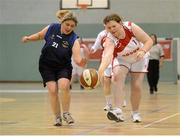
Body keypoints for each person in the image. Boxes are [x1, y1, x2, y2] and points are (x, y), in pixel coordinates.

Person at [21, 11, 89, 126]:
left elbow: (78, 60)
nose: (69, 27)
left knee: (64, 85)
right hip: (46, 65)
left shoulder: (74, 39)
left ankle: (66, 113)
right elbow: (39, 35)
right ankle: (57, 117)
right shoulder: (52, 27)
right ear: (62, 22)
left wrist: (85, 59)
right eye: (67, 24)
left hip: (63, 66)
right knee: (52, 91)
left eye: (72, 26)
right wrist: (28, 38)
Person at [98, 13, 153, 123]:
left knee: (136, 86)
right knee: (117, 76)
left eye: (114, 26)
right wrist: (101, 70)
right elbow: (108, 55)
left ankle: (135, 113)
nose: (112, 29)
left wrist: (143, 51)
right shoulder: (109, 39)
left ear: (120, 24)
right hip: (123, 59)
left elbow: (149, 41)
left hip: (139, 57)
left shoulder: (130, 27)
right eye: (109, 27)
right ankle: (118, 111)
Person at [91, 29, 127, 111]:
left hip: (117, 58)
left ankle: (122, 99)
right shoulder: (101, 34)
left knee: (116, 80)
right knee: (106, 81)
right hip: (106, 59)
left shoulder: (118, 32)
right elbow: (96, 45)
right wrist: (92, 49)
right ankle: (108, 104)